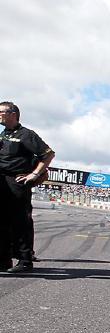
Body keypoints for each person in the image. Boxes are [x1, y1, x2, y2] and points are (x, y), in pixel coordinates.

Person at [0, 101, 54, 273]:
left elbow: (48, 154)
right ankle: (4, 260)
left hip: (17, 183)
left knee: (20, 222)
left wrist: (35, 174)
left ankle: (25, 260)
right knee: (3, 223)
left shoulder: (26, 134)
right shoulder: (4, 134)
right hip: (2, 182)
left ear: (12, 114)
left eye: (0, 111)